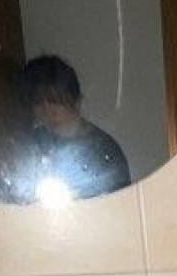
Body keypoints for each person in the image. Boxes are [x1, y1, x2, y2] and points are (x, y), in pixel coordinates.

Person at [17, 55, 130, 201]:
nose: (48, 112)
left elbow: (121, 205)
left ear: (76, 101)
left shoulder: (105, 150)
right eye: (38, 103)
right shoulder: (32, 144)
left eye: (54, 101)